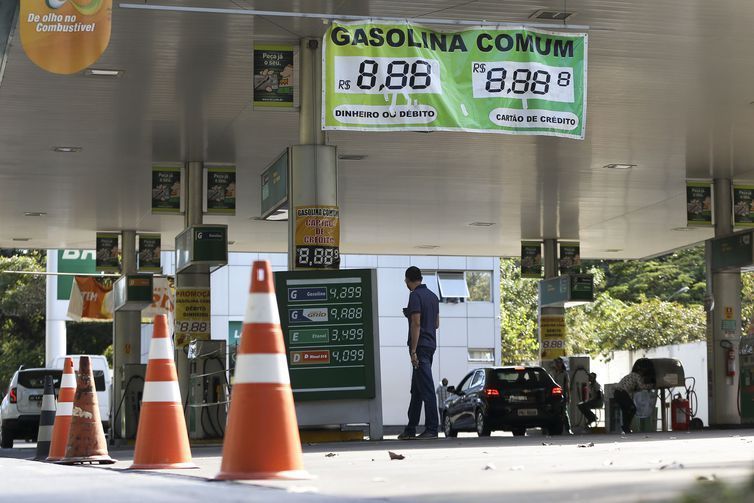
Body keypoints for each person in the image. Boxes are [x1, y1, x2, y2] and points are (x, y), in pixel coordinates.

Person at [398, 266, 440, 440]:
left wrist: (413, 351)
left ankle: (432, 428)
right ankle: (410, 429)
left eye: (406, 281)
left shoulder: (414, 295)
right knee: (416, 390)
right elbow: (436, 324)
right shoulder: (433, 296)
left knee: (427, 389)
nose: (406, 284)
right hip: (430, 345)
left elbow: (416, 323)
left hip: (420, 347)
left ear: (409, 279)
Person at [613, 369, 652, 434]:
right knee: (632, 409)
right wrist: (651, 385)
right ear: (641, 373)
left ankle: (626, 428)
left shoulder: (629, 375)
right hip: (622, 393)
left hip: (616, 393)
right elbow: (642, 386)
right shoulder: (637, 376)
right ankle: (626, 426)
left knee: (625, 411)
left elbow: (631, 389)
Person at [550, 357, 572, 434]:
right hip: (553, 395)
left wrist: (569, 397)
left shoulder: (565, 373)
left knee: (564, 412)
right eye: (556, 363)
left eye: (559, 363)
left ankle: (568, 428)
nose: (558, 365)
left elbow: (567, 386)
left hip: (562, 395)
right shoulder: (552, 372)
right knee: (553, 412)